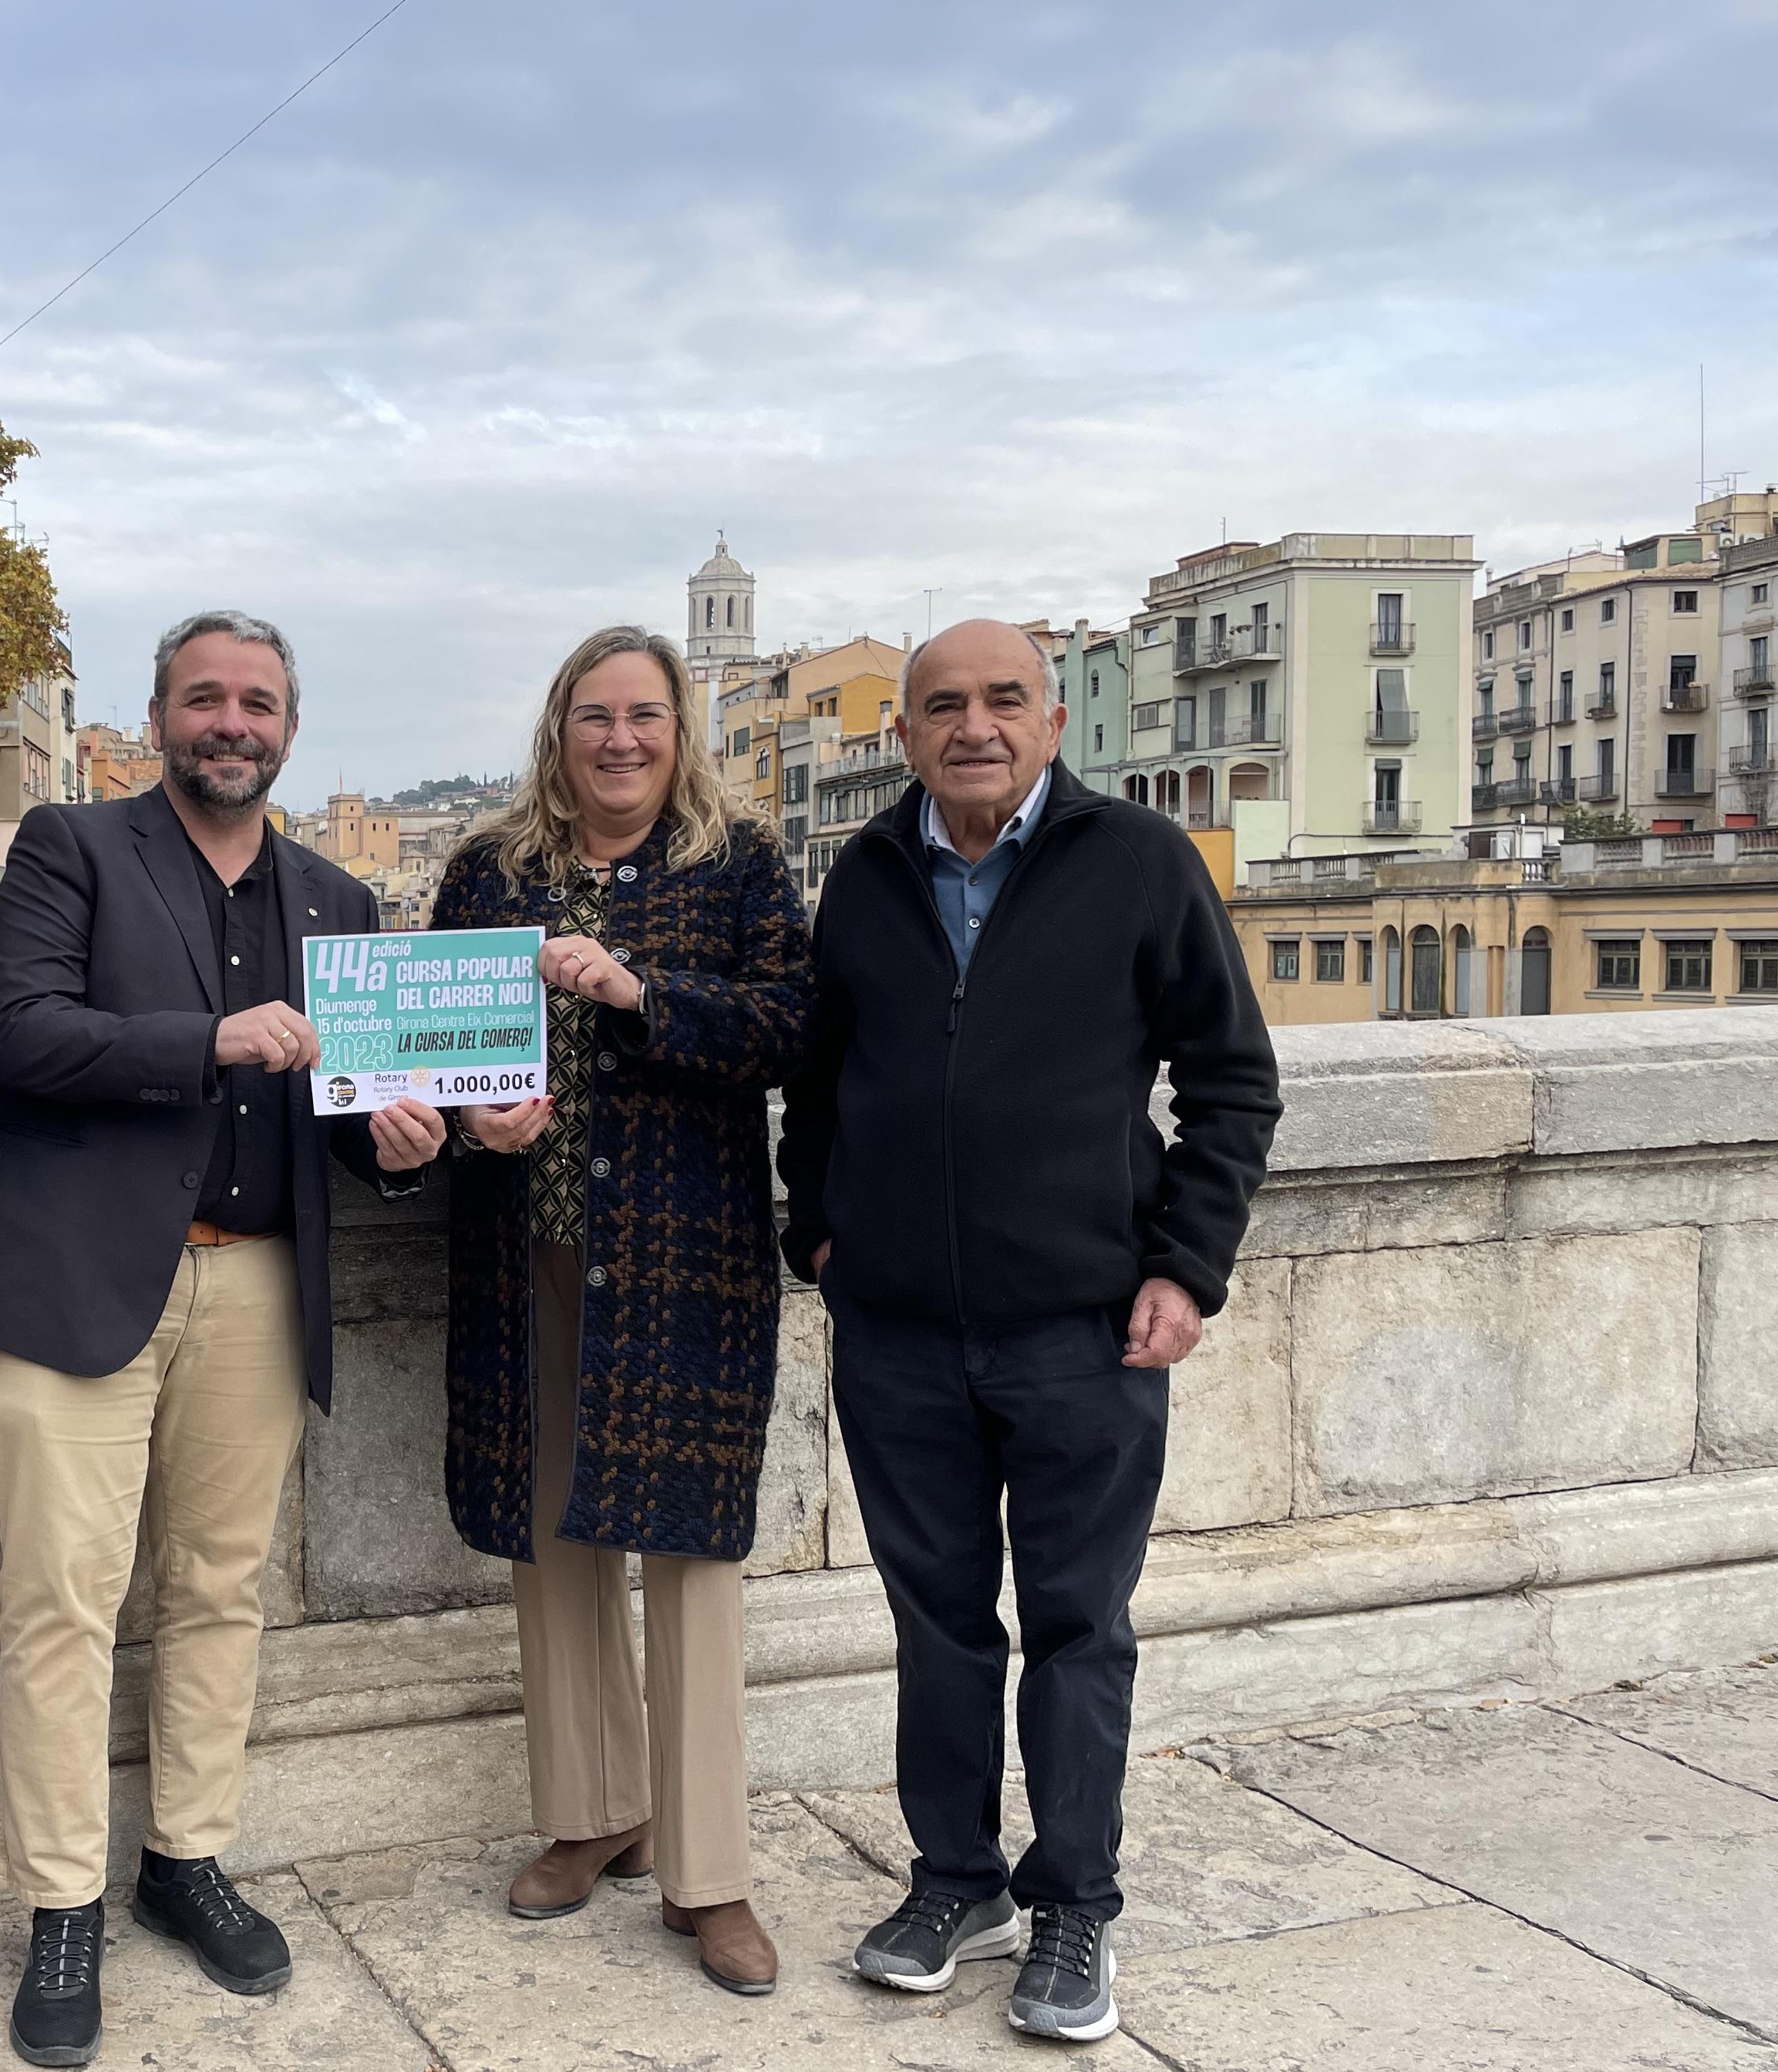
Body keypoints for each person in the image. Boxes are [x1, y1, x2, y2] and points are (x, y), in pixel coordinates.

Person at [0, 610, 446, 2068]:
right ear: (158, 714)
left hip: (259, 1286)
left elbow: (353, 1130)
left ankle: (186, 1861)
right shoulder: (68, 851)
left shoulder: (341, 899)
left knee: (221, 1594)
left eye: (260, 703)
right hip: (79, 1284)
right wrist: (211, 1040)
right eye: (206, 699)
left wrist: (410, 1147)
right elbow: (22, 1034)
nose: (234, 722)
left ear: (292, 729)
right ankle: (60, 1906)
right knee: (61, 1604)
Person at [777, 618, 1280, 2043]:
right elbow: (824, 1079)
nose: (974, 725)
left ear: (1054, 724)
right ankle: (955, 1879)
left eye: (1005, 700)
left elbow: (1232, 1083)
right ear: (907, 734)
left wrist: (1186, 1266)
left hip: (1084, 1330)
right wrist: (810, 1222)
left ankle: (1075, 1908)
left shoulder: (1137, 865)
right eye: (944, 705)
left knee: (1076, 1626)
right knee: (935, 1624)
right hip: (896, 1331)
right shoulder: (866, 877)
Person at [430, 626, 811, 1997]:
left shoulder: (739, 865)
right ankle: (596, 1815)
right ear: (558, 729)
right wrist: (472, 1116)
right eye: (595, 716)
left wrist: (643, 994)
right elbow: (427, 1040)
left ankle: (713, 1876)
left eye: (645, 716)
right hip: (524, 1250)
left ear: (680, 730)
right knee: (555, 1537)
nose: (621, 740)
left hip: (683, 1259)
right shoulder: (490, 871)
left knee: (693, 1558)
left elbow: (789, 1026)